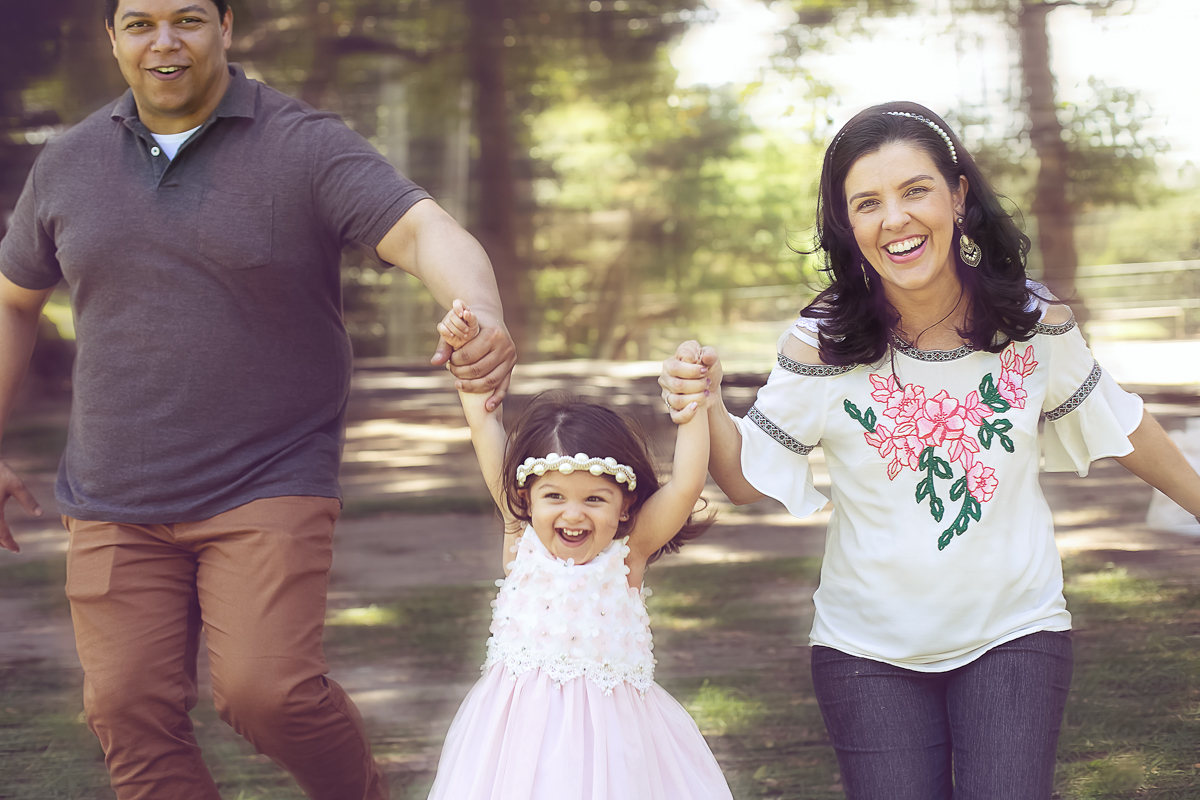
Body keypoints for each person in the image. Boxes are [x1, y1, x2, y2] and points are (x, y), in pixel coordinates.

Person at [0, 1, 515, 798]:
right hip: (111, 493)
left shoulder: (303, 145)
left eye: (188, 20)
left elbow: (421, 231)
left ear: (227, 28)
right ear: (112, 38)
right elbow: (12, 299)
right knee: (127, 710)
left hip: (269, 476)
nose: (164, 42)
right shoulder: (67, 164)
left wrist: (478, 306)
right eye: (139, 23)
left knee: (265, 692)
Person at [658, 101, 1200, 800]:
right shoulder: (821, 343)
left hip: (1016, 631)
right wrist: (705, 406)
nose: (896, 219)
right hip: (864, 651)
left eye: (915, 190)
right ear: (848, 227)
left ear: (958, 196)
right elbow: (743, 478)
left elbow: (1124, 427)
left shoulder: (1034, 326)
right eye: (868, 203)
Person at [424, 301, 733, 800]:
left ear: (625, 503)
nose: (573, 514)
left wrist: (691, 403)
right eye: (554, 497)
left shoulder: (626, 554)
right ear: (525, 497)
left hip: (614, 750)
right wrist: (469, 360)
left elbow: (684, 486)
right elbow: (486, 426)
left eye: (594, 498)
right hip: (515, 751)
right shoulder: (519, 534)